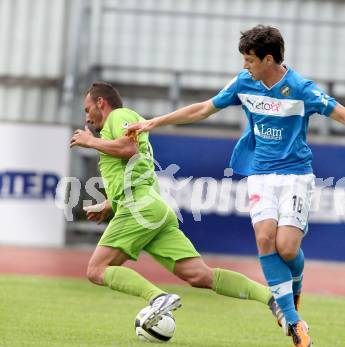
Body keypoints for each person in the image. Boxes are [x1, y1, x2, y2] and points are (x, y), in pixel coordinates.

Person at [127, 25, 345, 347]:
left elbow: (344, 114)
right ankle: (292, 320)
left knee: (287, 248)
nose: (245, 66)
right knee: (264, 237)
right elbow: (204, 108)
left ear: (268, 59)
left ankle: (295, 284)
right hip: (260, 175)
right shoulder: (243, 82)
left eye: (250, 60)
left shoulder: (300, 88)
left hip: (297, 176)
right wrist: (153, 122)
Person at [69, 82, 284, 334]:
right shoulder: (124, 123)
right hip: (153, 208)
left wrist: (89, 142)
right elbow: (136, 170)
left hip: (139, 208)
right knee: (199, 276)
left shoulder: (119, 116)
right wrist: (109, 203)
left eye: (87, 109)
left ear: (101, 103)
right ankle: (271, 298)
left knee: (96, 270)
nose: (86, 117)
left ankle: (157, 298)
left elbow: (129, 149)